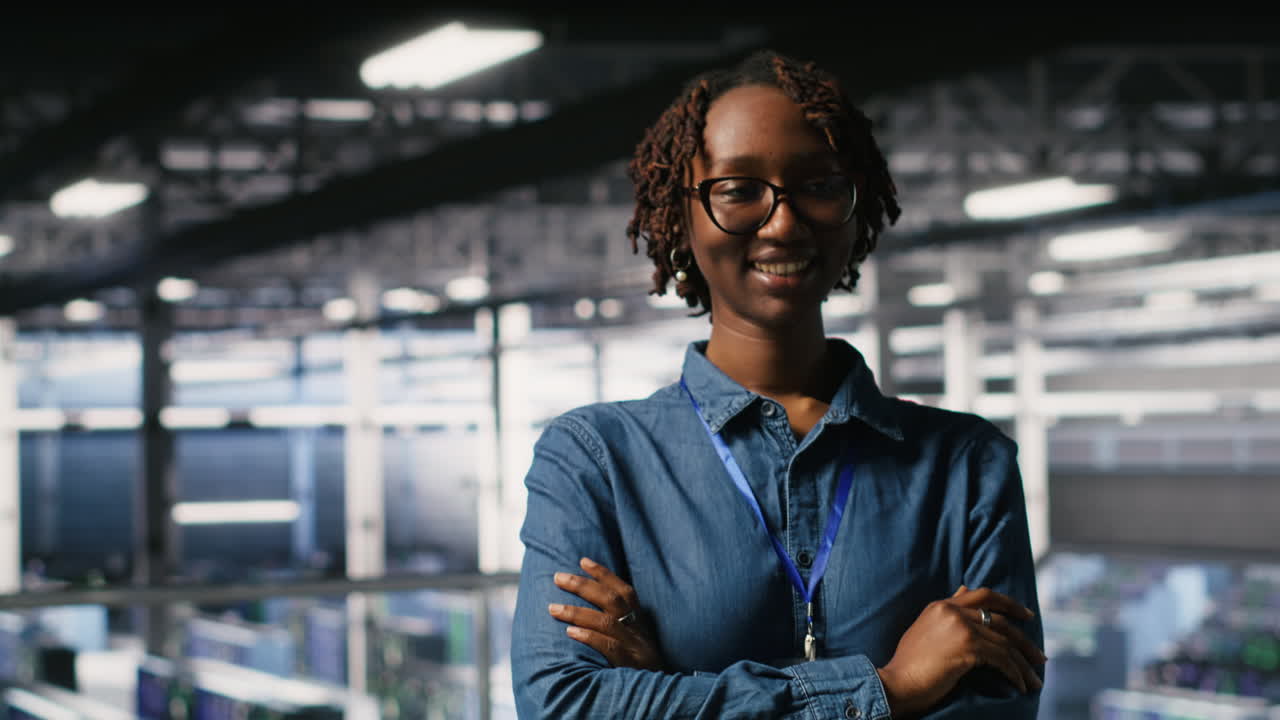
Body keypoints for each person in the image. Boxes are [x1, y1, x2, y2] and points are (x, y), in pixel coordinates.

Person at [509, 49, 1045, 719]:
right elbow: (565, 706)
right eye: (738, 190)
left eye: (819, 184)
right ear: (685, 213)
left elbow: (997, 713)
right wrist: (894, 688)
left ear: (857, 205)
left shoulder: (967, 468)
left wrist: (666, 683)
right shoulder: (594, 460)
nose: (784, 222)